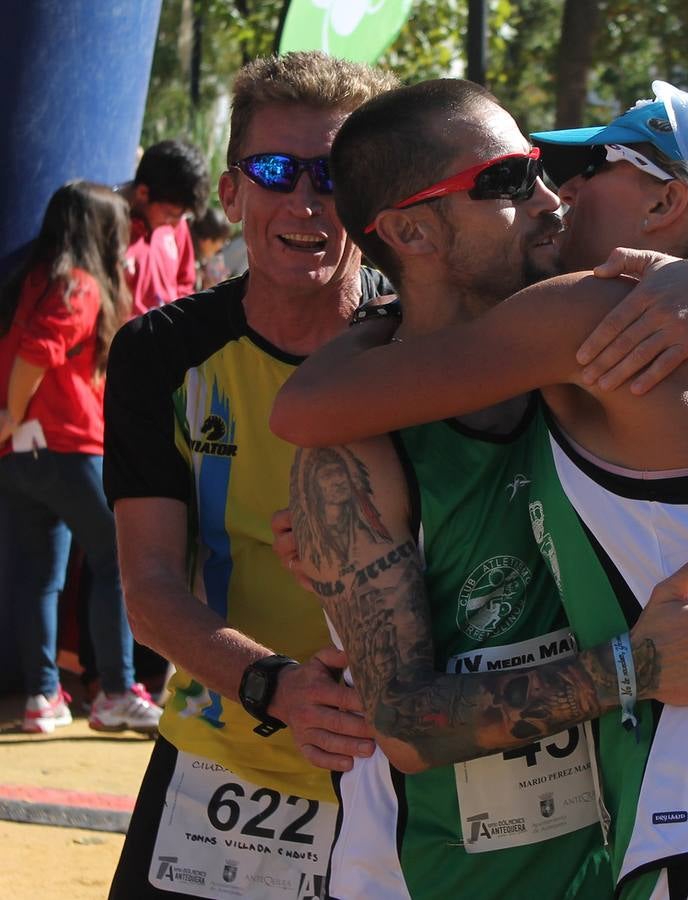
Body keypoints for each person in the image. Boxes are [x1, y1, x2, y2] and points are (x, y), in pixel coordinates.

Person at [272, 78, 688, 899]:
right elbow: (404, 722)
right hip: (451, 870)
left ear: (667, 201)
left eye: (561, 169)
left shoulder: (601, 328)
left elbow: (301, 405)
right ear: (411, 229)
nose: (552, 196)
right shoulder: (616, 343)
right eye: (506, 180)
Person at [103, 52, 404, 898]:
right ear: (231, 195)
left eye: (333, 175)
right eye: (275, 172)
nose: (304, 200)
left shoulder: (428, 342)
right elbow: (150, 584)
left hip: (405, 772)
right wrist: (278, 687)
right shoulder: (160, 352)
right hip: (223, 754)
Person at [0, 181, 161, 736]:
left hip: (21, 458)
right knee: (117, 560)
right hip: (68, 446)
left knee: (40, 575)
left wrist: (13, 424)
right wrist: (11, 413)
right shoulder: (81, 285)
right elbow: (34, 356)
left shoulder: (33, 281)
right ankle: (116, 691)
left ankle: (42, 697)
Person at [118, 139, 210, 317]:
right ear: (143, 193)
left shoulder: (177, 225)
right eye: (170, 215)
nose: (176, 224)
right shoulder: (110, 227)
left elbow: (185, 283)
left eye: (183, 216)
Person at [189, 206, 234, 290]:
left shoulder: (199, 261)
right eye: (221, 241)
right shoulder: (187, 260)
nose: (221, 246)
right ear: (206, 241)